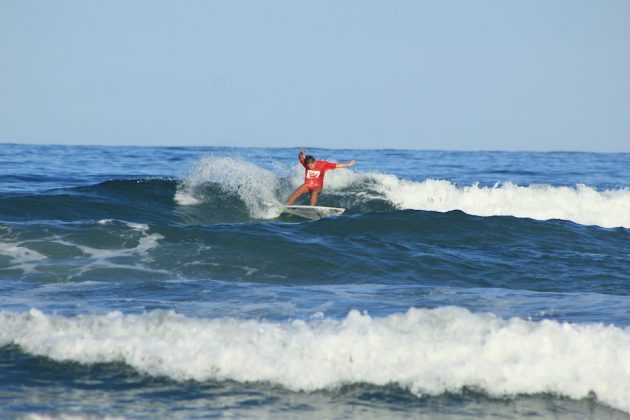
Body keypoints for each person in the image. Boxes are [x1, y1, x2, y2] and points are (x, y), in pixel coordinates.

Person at [287, 148, 356, 206]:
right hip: (308, 185)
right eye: (308, 167)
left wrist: (348, 164)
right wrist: (301, 151)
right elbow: (300, 157)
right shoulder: (306, 163)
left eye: (311, 166)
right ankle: (287, 207)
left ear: (314, 162)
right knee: (296, 193)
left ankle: (311, 208)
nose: (310, 168)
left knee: (314, 193)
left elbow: (336, 165)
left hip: (318, 186)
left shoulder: (323, 164)